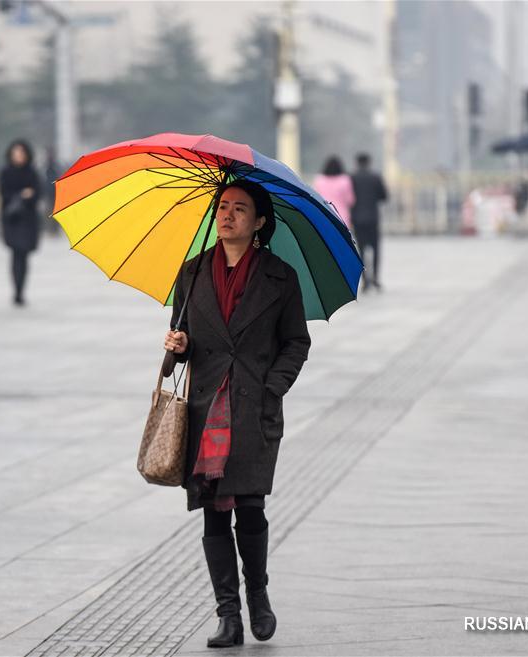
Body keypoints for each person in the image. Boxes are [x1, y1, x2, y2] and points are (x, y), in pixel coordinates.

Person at [163, 180, 311, 648]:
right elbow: (182, 336)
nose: (228, 216)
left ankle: (258, 597)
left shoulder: (280, 277)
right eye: (223, 207)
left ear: (259, 222)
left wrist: (273, 387)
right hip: (207, 409)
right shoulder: (191, 273)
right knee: (211, 514)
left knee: (250, 508)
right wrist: (179, 346)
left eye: (240, 209)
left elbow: (296, 343)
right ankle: (228, 614)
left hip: (253, 406)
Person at [0, 139, 42, 306]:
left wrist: (30, 195)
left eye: (21, 153)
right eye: (15, 153)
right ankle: (17, 290)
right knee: (16, 254)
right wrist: (21, 195)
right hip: (11, 220)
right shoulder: (5, 172)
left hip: (28, 220)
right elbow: (3, 194)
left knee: (23, 255)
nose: (18, 156)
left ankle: (20, 290)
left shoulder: (32, 172)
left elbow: (38, 193)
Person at [350, 153, 388, 291]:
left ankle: (365, 281)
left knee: (361, 250)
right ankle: (376, 278)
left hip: (358, 219)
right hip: (373, 218)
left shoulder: (352, 178)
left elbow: (349, 198)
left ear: (357, 162)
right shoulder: (375, 177)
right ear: (369, 162)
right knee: (375, 249)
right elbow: (384, 196)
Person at [312, 155, 355, 228]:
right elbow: (350, 200)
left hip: (323, 214)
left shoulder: (319, 180)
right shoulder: (345, 180)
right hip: (342, 216)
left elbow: (314, 197)